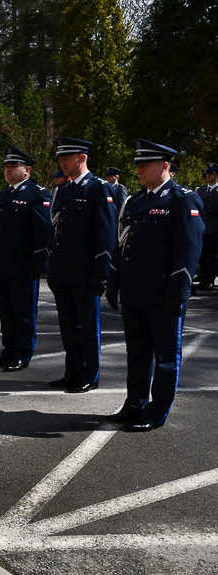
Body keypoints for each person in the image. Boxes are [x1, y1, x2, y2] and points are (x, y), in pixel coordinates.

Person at [105, 140, 204, 431]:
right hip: (135, 293)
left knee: (165, 357)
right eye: (137, 165)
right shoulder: (136, 201)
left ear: (164, 166)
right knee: (136, 353)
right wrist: (115, 280)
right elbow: (124, 246)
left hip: (163, 295)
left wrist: (179, 292)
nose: (138, 170)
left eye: (144, 165)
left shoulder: (182, 200)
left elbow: (189, 252)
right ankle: (134, 402)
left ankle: (157, 410)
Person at [48, 138, 117, 393]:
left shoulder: (99, 189)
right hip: (63, 272)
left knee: (87, 327)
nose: (63, 163)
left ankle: (89, 374)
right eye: (61, 159)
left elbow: (106, 234)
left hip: (86, 273)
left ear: (82, 158)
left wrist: (101, 273)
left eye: (68, 157)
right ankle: (72, 372)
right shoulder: (64, 190)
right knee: (68, 326)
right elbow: (57, 232)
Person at [0, 147, 52, 371]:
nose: (8, 170)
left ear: (27, 170)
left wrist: (37, 266)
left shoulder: (37, 194)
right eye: (6, 167)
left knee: (23, 313)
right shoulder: (3, 194)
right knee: (5, 311)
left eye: (13, 166)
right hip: (2, 265)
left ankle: (23, 353)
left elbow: (43, 233)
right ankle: (9, 349)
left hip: (23, 266)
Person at [194, 164, 218, 289]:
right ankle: (204, 279)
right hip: (202, 228)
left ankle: (210, 279)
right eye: (207, 173)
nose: (209, 176)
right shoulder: (201, 190)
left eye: (212, 173)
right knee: (202, 255)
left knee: (212, 256)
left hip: (215, 229)